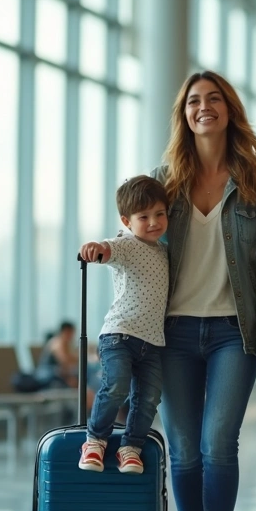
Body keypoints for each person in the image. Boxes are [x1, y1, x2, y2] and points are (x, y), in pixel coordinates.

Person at [152, 71, 256, 511]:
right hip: (172, 332)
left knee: (218, 442)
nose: (204, 107)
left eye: (214, 99)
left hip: (233, 331)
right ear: (184, 114)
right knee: (182, 449)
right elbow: (138, 247)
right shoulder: (163, 181)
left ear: (229, 109)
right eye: (194, 101)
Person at [75, 176, 169, 477]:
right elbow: (107, 249)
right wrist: (95, 248)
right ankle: (95, 441)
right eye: (144, 217)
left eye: (160, 214)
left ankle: (131, 447)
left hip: (153, 341)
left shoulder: (165, 252)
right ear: (127, 221)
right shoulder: (126, 243)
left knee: (149, 399)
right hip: (120, 335)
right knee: (115, 386)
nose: (153, 223)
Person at [37, 321, 77, 388]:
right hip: (47, 376)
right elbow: (65, 361)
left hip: (56, 375)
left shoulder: (66, 344)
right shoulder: (57, 343)